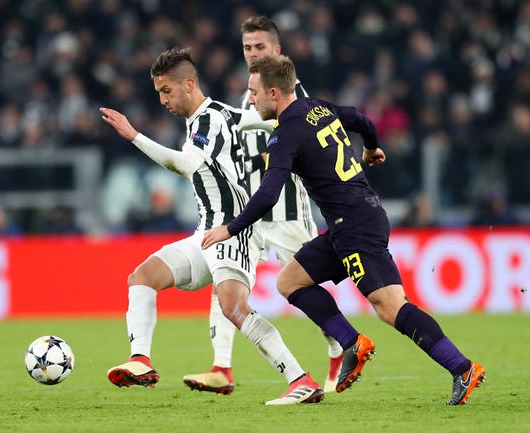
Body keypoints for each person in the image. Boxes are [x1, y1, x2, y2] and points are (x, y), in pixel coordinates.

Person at [201, 54, 485, 405]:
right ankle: (352, 343)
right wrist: (371, 147)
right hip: (349, 222)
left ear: (274, 92)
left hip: (356, 226)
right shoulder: (316, 107)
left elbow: (268, 194)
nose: (251, 98)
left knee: (390, 306)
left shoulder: (285, 134)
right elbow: (360, 119)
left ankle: (462, 368)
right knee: (289, 281)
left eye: (254, 91)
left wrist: (232, 227)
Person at [100, 48, 324, 405]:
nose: (162, 100)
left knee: (235, 308)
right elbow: (268, 121)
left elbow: (186, 164)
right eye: (158, 92)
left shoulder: (208, 120)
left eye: (167, 91)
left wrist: (134, 136)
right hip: (208, 232)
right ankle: (141, 360)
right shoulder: (223, 113)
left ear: (189, 84)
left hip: (233, 230)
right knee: (142, 278)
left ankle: (301, 379)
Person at [183, 15, 343, 396]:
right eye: (247, 48)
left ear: (277, 50)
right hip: (250, 216)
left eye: (260, 48)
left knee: (306, 285)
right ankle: (222, 365)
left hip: (287, 211)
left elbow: (293, 143)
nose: (253, 54)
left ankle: (338, 346)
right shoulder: (250, 93)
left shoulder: (292, 96)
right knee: (226, 279)